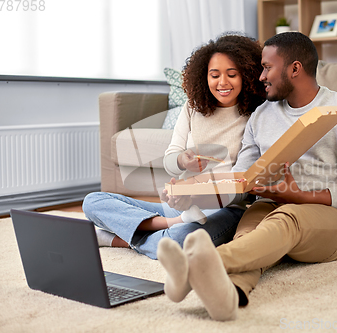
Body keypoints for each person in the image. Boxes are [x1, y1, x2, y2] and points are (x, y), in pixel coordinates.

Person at [157, 32, 337, 321]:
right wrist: (195, 193)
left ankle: (194, 266)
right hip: (268, 204)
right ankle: (229, 297)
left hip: (326, 215)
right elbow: (242, 180)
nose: (261, 76)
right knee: (248, 237)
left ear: (295, 69)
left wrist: (301, 196)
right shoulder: (261, 116)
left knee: (285, 220)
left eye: (267, 67)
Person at [82, 33, 266, 259]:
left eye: (232, 74)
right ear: (203, 76)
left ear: (247, 76)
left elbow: (242, 187)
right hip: (181, 207)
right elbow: (172, 161)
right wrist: (182, 160)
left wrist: (197, 196)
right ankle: (171, 222)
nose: (222, 83)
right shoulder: (193, 107)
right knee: (93, 201)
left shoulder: (256, 116)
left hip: (225, 211)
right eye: (214, 75)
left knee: (178, 242)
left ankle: (116, 238)